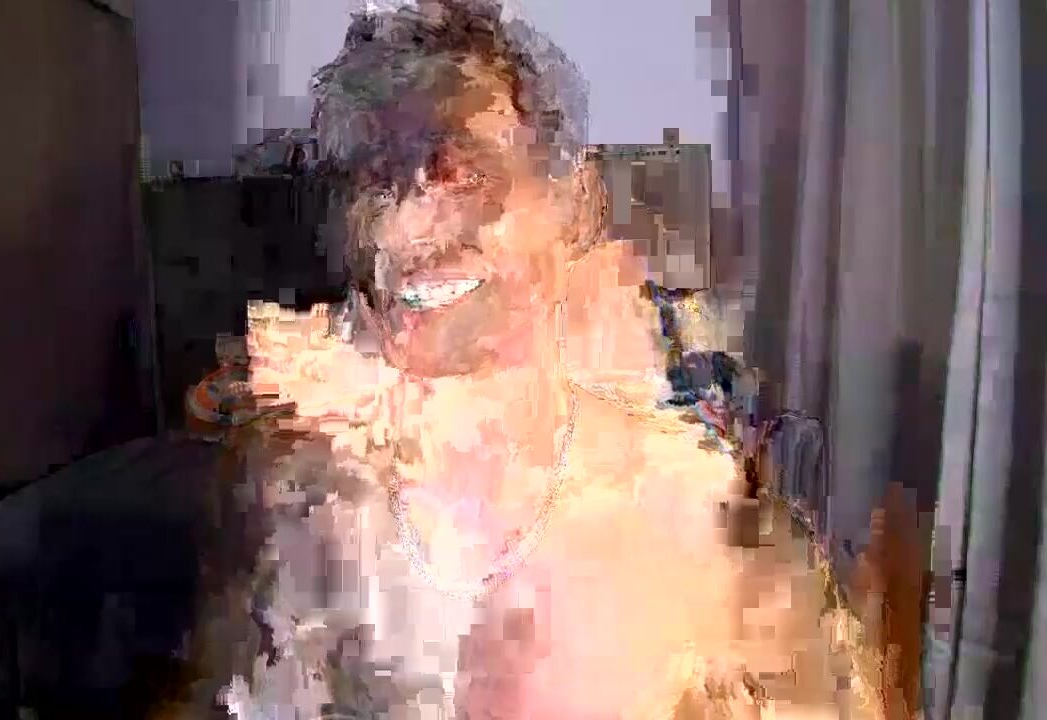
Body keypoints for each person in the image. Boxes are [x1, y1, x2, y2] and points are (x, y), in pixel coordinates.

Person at [177, 2, 870, 718]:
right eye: (380, 180)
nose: (402, 227)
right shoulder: (287, 487)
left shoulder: (701, 515)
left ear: (576, 207)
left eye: (459, 171)